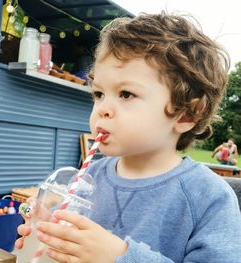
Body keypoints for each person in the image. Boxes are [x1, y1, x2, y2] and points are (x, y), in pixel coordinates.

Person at [15, 12, 241, 262]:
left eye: (125, 94)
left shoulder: (209, 198)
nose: (102, 109)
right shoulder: (90, 177)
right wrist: (50, 231)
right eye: (99, 93)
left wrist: (119, 257)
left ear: (186, 114)